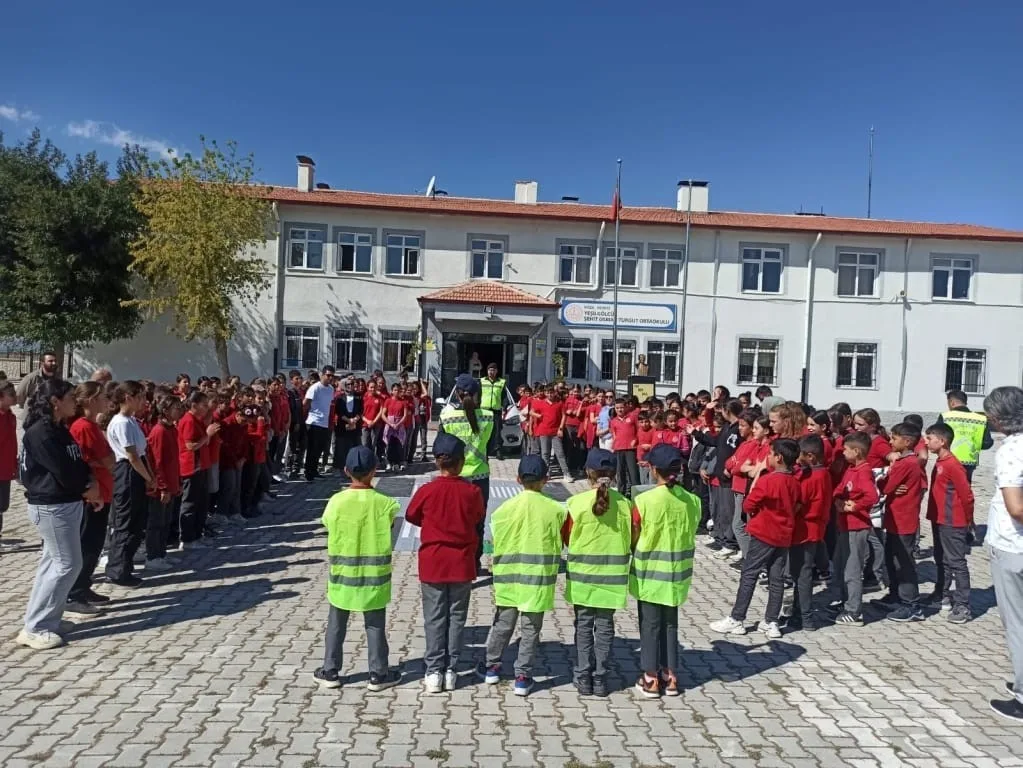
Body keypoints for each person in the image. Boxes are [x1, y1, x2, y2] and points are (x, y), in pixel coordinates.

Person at [17, 378, 102, 650]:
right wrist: (87, 489)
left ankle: (47, 620)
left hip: (67, 503)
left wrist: (91, 484)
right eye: (69, 397)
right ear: (55, 401)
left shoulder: (58, 427)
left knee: (52, 564)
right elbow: (63, 472)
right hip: (52, 505)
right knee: (68, 565)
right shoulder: (41, 432)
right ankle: (37, 627)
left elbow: (76, 461)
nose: (74, 401)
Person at [313, 445, 402, 691]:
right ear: (375, 471)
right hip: (375, 577)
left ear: (345, 471)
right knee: (374, 625)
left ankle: (330, 670)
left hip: (342, 576)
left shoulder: (336, 501)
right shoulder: (386, 503)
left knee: (336, 623)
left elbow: (327, 524)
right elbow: (392, 524)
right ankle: (378, 673)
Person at [477, 455, 566, 697]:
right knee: (530, 629)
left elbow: (493, 540)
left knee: (503, 624)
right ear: (546, 480)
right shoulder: (557, 510)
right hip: (537, 579)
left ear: (518, 479)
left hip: (508, 578)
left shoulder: (503, 510)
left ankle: (491, 667)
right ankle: (523, 677)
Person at [405, 434, 485, 693]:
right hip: (461, 562)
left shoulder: (426, 491)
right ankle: (451, 669)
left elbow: (411, 515)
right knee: (457, 617)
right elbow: (476, 517)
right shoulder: (472, 491)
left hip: (433, 562)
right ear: (461, 463)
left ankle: (433, 671)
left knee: (434, 617)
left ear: (437, 462)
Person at [711, 438, 801, 640]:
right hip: (783, 535)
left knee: (749, 573)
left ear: (778, 458)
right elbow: (798, 506)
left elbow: (748, 505)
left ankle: (737, 618)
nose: (767, 457)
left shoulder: (769, 480)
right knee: (776, 579)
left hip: (763, 533)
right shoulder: (794, 481)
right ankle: (771, 621)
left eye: (770, 454)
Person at [631, 444, 701, 698]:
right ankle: (670, 675)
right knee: (670, 623)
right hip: (677, 573)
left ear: (652, 469)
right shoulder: (692, 500)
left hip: (650, 573)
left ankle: (650, 678)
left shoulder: (644, 500)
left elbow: (634, 533)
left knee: (650, 625)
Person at [563, 448, 632, 698]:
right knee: (605, 626)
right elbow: (633, 536)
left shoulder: (575, 503)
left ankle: (583, 676)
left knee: (583, 625)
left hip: (582, 576)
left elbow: (567, 537)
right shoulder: (625, 505)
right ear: (614, 475)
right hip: (612, 578)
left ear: (587, 473)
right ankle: (601, 678)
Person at [981, 386, 1023, 722]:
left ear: (998, 417)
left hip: (1013, 546)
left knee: (1017, 624)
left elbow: (1016, 507)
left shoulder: (1011, 450)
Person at [66, 383, 115, 614]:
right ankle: (74, 592)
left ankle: (84, 585)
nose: (107, 401)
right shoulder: (83, 426)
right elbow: (103, 460)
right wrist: (105, 461)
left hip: (104, 490)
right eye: (103, 397)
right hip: (91, 496)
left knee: (94, 544)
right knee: (87, 543)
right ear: (90, 400)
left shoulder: (92, 425)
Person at [439, 374, 495, 574]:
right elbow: (494, 447)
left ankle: (455, 562)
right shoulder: (488, 416)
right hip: (480, 477)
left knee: (453, 521)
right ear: (478, 394)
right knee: (477, 523)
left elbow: (439, 448)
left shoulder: (446, 417)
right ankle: (474, 562)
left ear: (458, 395)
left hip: (454, 477)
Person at [105, 381, 158, 585]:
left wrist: (151, 476)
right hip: (127, 471)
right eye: (140, 397)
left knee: (137, 523)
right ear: (128, 397)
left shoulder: (132, 421)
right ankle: (118, 569)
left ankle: (126, 566)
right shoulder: (121, 423)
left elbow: (142, 454)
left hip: (138, 470)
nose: (144, 402)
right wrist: (148, 477)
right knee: (126, 524)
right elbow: (132, 456)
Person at [876, 422, 927, 622]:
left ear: (906, 441)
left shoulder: (907, 463)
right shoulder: (904, 462)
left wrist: (887, 484)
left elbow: (886, 486)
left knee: (903, 563)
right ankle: (895, 595)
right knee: (891, 558)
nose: (890, 441)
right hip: (894, 519)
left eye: (894, 438)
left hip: (904, 520)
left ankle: (912, 605)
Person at [925, 422, 975, 624]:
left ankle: (963, 605)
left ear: (942, 441)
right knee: (941, 559)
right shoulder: (939, 462)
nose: (926, 442)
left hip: (953, 521)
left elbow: (967, 495)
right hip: (939, 519)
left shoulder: (954, 465)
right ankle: (942, 594)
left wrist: (969, 521)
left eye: (929, 438)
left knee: (956, 562)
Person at [829, 431, 879, 626]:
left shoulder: (864, 471)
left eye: (846, 449)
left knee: (852, 569)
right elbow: (839, 488)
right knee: (840, 565)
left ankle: (854, 610)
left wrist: (854, 506)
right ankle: (845, 600)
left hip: (856, 528)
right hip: (844, 525)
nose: (843, 452)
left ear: (857, 451)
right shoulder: (851, 469)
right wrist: (839, 499)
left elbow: (872, 497)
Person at [790, 435, 832, 631]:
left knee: (803, 574)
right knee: (801, 572)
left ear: (811, 456)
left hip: (805, 530)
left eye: (801, 455)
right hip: (813, 529)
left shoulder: (812, 478)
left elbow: (798, 504)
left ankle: (805, 616)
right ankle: (798, 613)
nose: (798, 459)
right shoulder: (823, 473)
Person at [145, 395, 183, 573]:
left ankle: (162, 552)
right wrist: (162, 487)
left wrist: (178, 481)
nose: (180, 410)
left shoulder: (172, 429)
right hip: (162, 486)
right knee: (157, 523)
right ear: (165, 410)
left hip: (173, 481)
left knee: (166, 521)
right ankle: (153, 556)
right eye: (176, 407)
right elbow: (157, 462)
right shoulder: (159, 431)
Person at [176, 390, 217, 548]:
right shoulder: (188, 420)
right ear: (194, 405)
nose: (207, 408)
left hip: (201, 466)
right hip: (191, 467)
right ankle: (186, 538)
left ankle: (197, 534)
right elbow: (190, 445)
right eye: (204, 405)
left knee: (201, 502)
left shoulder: (198, 419)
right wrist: (207, 435)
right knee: (190, 503)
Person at [938, 389, 994, 485]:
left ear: (952, 402)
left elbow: (937, 438)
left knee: (947, 492)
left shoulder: (946, 417)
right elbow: (987, 443)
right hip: (969, 463)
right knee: (964, 492)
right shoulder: (981, 419)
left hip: (948, 460)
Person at [532, 386, 572, 480]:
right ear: (545, 393)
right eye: (548, 392)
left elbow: (564, 416)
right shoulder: (541, 403)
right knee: (545, 453)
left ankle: (566, 473)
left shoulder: (559, 403)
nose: (550, 394)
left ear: (554, 393)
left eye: (551, 392)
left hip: (555, 432)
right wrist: (538, 415)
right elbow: (531, 412)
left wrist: (561, 428)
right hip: (544, 431)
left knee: (560, 453)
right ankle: (546, 473)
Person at [304, 366, 336, 481]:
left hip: (324, 423)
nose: (330, 378)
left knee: (320, 449)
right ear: (322, 375)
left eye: (332, 375)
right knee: (312, 449)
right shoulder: (315, 388)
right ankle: (308, 474)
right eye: (328, 375)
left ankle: (314, 470)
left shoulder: (331, 389)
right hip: (313, 422)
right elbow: (306, 403)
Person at [610, 398, 640, 497]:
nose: (620, 410)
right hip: (619, 448)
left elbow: (639, 430)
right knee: (620, 472)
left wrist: (635, 439)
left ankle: (636, 493)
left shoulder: (632, 417)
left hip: (630, 448)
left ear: (626, 407)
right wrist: (614, 446)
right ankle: (621, 493)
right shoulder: (613, 421)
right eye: (617, 408)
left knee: (633, 472)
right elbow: (614, 434)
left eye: (622, 407)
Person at [0, 379, 17, 546]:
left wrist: (15, 464)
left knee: (2, 506)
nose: (14, 397)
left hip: (5, 469)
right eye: (10, 394)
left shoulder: (11, 417)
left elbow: (12, 443)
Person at [480, 363, 507, 460]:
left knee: (497, 432)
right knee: (484, 432)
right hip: (484, 411)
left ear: (496, 371)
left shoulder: (501, 382)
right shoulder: (482, 381)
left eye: (493, 370)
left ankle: (498, 451)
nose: (491, 372)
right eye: (490, 370)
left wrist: (505, 408)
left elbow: (504, 397)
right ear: (487, 371)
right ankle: (485, 452)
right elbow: (478, 395)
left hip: (496, 410)